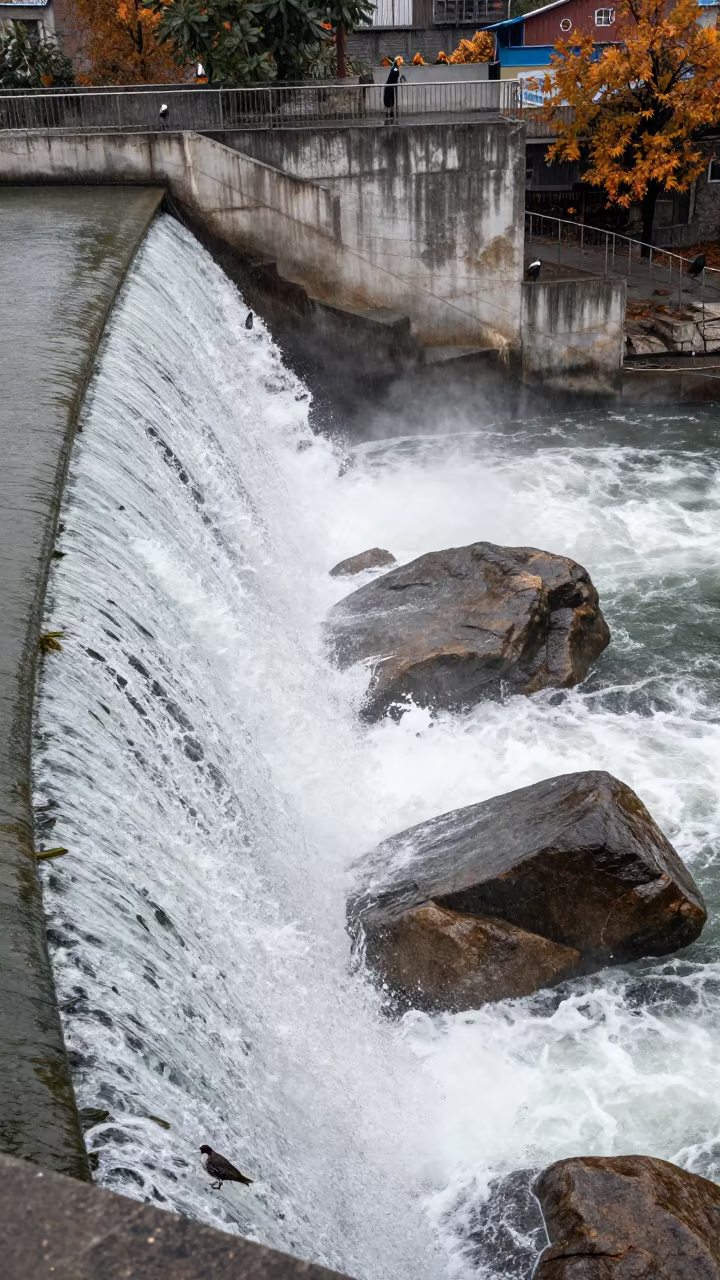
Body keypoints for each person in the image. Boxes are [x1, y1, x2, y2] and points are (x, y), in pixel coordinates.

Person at [383, 58, 403, 123]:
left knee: (391, 98)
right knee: (388, 99)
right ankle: (389, 113)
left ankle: (390, 112)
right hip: (389, 86)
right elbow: (395, 70)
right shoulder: (394, 68)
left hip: (390, 86)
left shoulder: (395, 68)